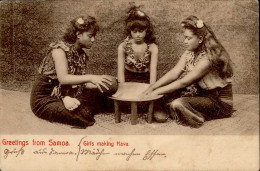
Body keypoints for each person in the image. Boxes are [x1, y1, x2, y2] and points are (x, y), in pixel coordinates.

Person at [141, 16, 234, 128]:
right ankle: (174, 109)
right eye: (184, 38)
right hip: (203, 95)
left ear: (200, 39)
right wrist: (153, 87)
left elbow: (183, 82)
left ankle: (197, 117)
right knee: (166, 95)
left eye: (188, 38)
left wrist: (156, 92)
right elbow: (174, 73)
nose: (185, 41)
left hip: (219, 102)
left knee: (177, 103)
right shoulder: (189, 52)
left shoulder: (208, 59)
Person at [30, 15, 113, 129]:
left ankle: (70, 101)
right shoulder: (59, 50)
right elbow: (63, 79)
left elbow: (79, 82)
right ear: (78, 35)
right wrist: (92, 77)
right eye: (90, 36)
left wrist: (101, 82)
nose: (93, 40)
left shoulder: (81, 54)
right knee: (84, 117)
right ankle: (69, 103)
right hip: (45, 97)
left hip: (66, 92)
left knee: (101, 96)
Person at [117, 5, 158, 84]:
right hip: (128, 78)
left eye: (141, 31)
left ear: (146, 30)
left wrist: (151, 88)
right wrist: (122, 86)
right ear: (130, 31)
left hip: (145, 79)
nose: (138, 35)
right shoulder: (123, 46)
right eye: (134, 32)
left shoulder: (153, 47)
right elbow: (120, 71)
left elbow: (153, 71)